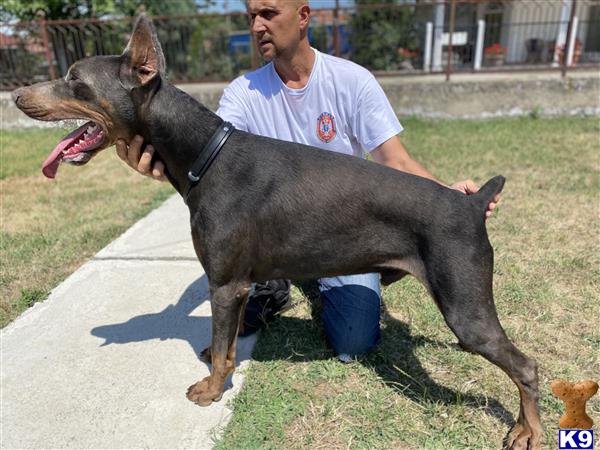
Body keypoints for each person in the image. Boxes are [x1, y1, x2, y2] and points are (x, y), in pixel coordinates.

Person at [116, 0, 498, 362]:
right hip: (277, 239)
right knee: (250, 288)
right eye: (251, 17)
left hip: (342, 237)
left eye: (268, 13)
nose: (257, 26)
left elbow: (394, 159)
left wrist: (449, 200)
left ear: (302, 16)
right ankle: (275, 285)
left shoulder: (352, 81)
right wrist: (159, 161)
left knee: (354, 341)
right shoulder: (243, 94)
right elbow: (210, 159)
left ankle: (313, 282)